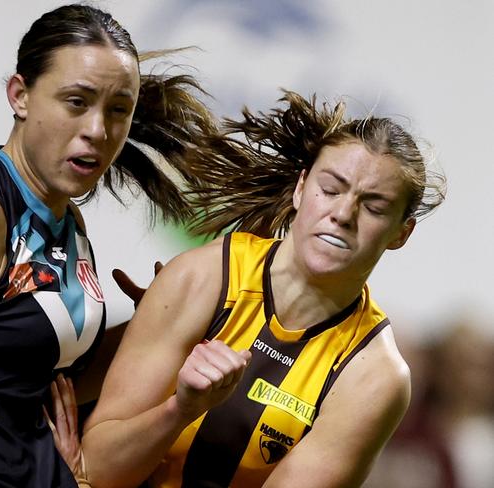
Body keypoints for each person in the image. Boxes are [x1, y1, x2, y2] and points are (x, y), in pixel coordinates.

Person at [0, 4, 219, 487]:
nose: (99, 131)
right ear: (20, 95)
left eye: (118, 110)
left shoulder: (66, 217)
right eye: (76, 102)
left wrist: (158, 323)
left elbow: (47, 382)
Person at [79, 90, 447, 488]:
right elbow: (97, 470)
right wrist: (181, 409)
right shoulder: (202, 279)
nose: (342, 214)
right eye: (331, 188)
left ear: (401, 233)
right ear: (301, 189)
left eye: (374, 206)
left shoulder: (375, 375)